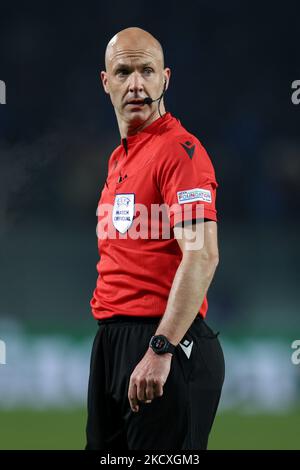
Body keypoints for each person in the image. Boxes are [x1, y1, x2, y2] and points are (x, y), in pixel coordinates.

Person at [86, 26, 225, 451]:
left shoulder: (179, 151)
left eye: (147, 71)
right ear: (105, 82)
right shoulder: (120, 158)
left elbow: (201, 257)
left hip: (163, 342)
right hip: (113, 343)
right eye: (124, 71)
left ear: (165, 78)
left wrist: (161, 347)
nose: (136, 84)